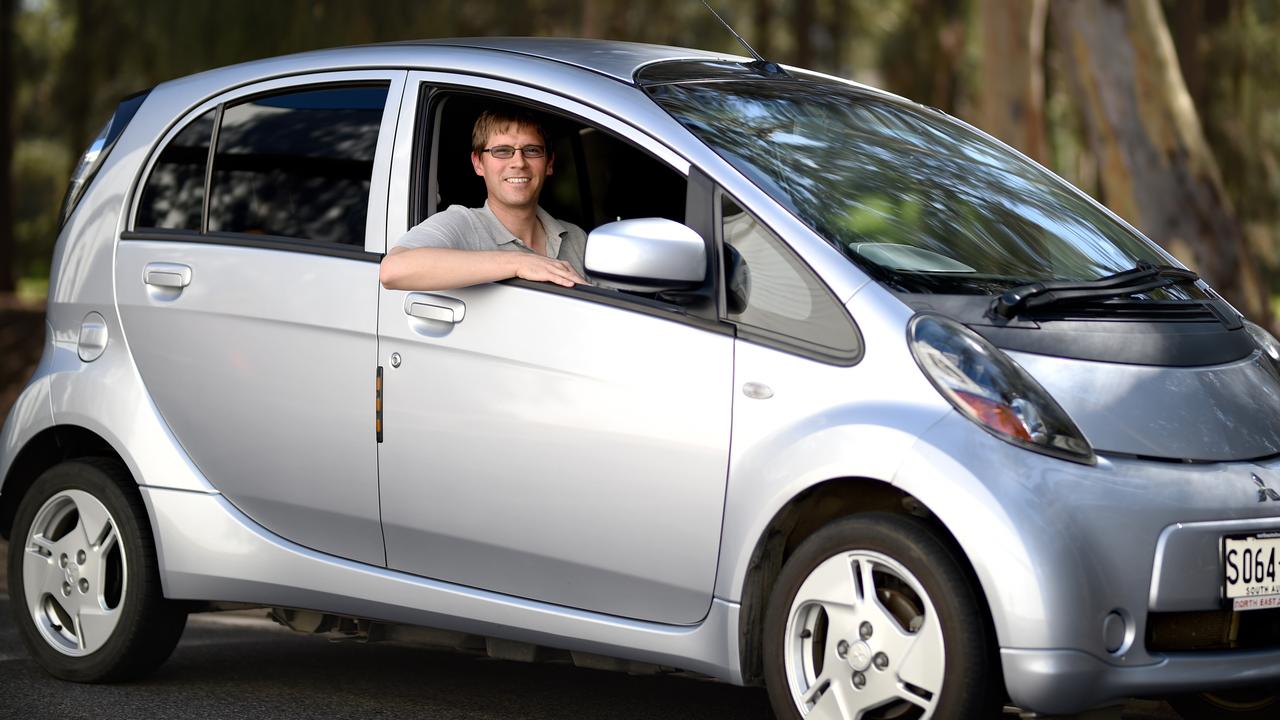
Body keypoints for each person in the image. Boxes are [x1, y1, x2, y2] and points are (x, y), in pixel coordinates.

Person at [379, 108, 588, 291]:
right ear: (478, 163)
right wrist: (520, 263)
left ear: (549, 163)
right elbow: (392, 270)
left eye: (531, 150)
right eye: (502, 151)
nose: (519, 162)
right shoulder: (464, 223)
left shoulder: (576, 238)